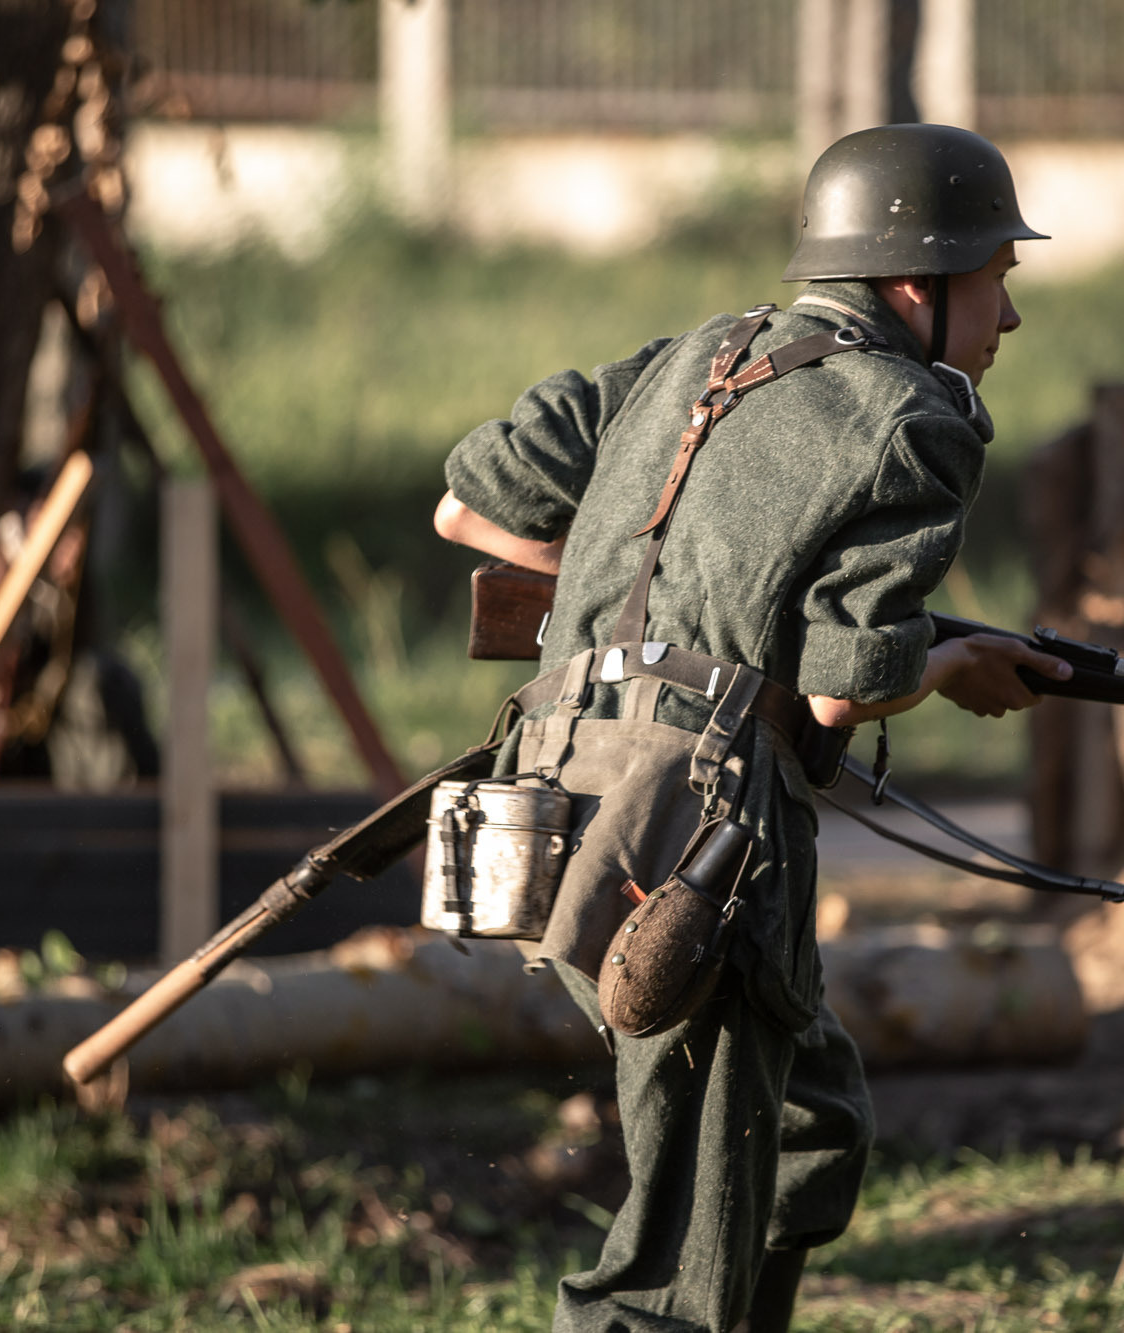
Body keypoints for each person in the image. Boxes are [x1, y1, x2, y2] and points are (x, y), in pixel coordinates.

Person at [434, 123, 1069, 1333]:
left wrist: (620, 604)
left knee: (805, 1130)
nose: (1009, 315)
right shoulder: (911, 418)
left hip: (551, 794)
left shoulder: (697, 353)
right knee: (678, 1259)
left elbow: (466, 504)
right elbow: (843, 689)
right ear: (912, 283)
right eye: (998, 276)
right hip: (697, 835)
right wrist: (954, 667)